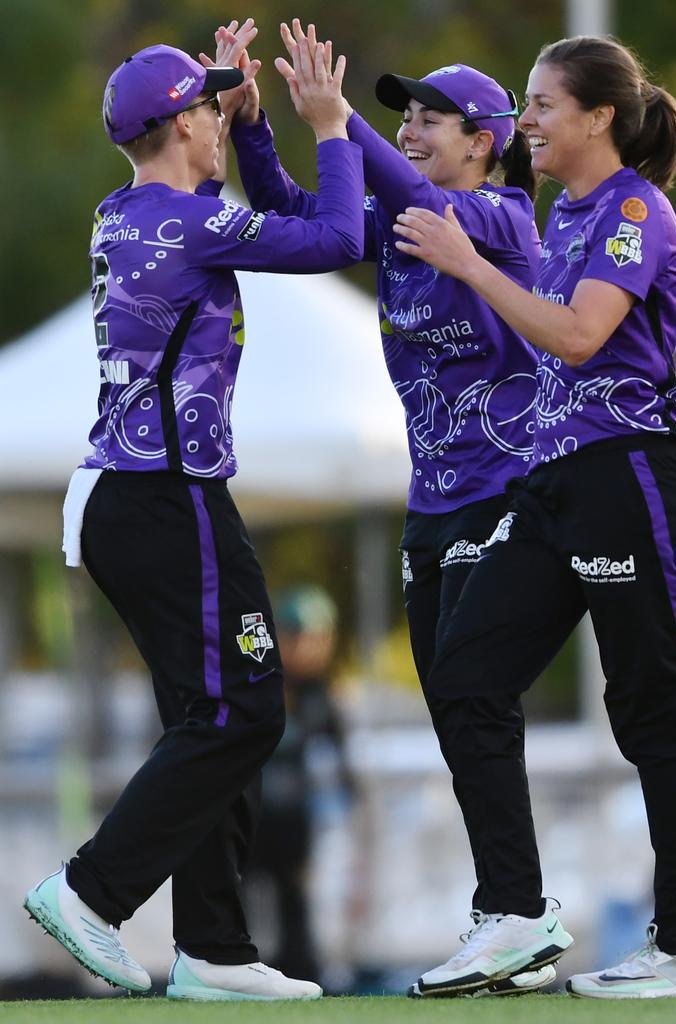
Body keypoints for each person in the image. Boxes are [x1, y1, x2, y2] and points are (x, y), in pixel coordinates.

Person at [24, 28, 364, 1002]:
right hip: (168, 497)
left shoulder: (129, 214)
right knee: (248, 706)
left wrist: (248, 126)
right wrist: (330, 129)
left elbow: (230, 210)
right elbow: (336, 237)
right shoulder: (186, 224)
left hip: (127, 497)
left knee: (207, 712)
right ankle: (92, 892)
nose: (221, 119)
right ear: (180, 121)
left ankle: (214, 950)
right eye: (209, 108)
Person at [222, 22, 561, 994]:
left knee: (469, 691)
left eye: (428, 117)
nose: (408, 129)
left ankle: (519, 912)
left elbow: (409, 193)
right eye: (399, 116)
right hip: (432, 507)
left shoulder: (499, 220)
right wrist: (256, 126)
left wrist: (339, 125)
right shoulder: (406, 223)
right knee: (461, 714)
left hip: (506, 498)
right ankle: (515, 914)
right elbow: (296, 211)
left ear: (485, 140)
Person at [393, 34, 676, 999]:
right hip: (553, 488)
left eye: (540, 105)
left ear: (598, 118)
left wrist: (468, 265)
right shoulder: (564, 213)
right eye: (525, 105)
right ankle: (515, 917)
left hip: (631, 481)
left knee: (651, 712)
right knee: (465, 673)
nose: (524, 121)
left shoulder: (634, 208)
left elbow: (580, 337)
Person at [246, 585, 349, 984]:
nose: (317, 649)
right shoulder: (258, 683)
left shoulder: (320, 696)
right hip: (247, 820)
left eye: (325, 640)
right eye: (308, 638)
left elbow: (343, 769)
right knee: (238, 912)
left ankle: (301, 978)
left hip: (293, 827)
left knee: (295, 911)